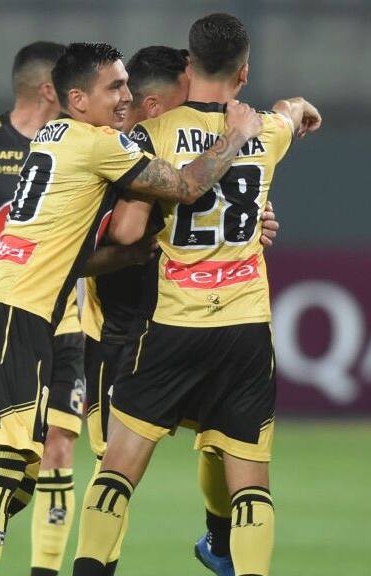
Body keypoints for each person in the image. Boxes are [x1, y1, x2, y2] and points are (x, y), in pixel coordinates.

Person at [0, 41, 262, 576]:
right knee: (0, 475)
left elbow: (80, 255)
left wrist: (136, 251)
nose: (126, 96)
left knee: (18, 484)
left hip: (6, 312)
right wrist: (237, 137)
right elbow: (186, 185)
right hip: (12, 320)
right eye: (114, 87)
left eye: (126, 84)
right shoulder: (96, 145)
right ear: (77, 98)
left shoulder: (57, 137)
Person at [72, 14, 321, 576]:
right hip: (246, 326)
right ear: (245, 71)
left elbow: (131, 232)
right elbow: (292, 112)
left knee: (116, 472)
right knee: (250, 483)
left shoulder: (150, 133)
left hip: (174, 321)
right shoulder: (265, 131)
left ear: (189, 64)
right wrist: (303, 109)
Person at [0, 41, 94, 576]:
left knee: (57, 449)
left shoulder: (82, 148)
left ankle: (44, 572)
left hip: (62, 323)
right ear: (49, 89)